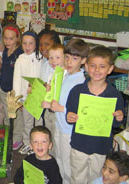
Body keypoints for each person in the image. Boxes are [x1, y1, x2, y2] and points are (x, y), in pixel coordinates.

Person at [66, 45, 125, 184]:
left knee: (96, 179)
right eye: (92, 66)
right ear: (86, 66)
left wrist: (119, 118)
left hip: (101, 147)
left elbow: (116, 123)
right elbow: (70, 115)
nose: (97, 70)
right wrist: (70, 117)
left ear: (110, 69)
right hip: (79, 144)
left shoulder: (114, 95)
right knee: (77, 178)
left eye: (102, 66)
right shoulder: (77, 91)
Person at [42, 39, 89, 184]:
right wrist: (49, 97)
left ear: (83, 60)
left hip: (69, 130)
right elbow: (59, 98)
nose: (69, 62)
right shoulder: (65, 75)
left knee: (68, 165)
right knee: (60, 159)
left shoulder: (81, 82)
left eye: (74, 59)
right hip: (59, 124)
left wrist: (60, 108)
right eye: (67, 57)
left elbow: (81, 110)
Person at [13, 31, 44, 155]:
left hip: (38, 97)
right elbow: (16, 80)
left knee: (39, 121)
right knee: (27, 122)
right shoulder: (20, 59)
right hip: (25, 98)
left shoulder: (41, 59)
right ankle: (27, 143)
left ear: (36, 44)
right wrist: (18, 99)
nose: (27, 46)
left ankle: (40, 144)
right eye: (25, 43)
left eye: (31, 43)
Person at [0, 23, 23, 150]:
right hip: (3, 87)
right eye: (5, 38)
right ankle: (9, 134)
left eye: (11, 38)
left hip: (14, 90)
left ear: (17, 38)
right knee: (7, 113)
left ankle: (17, 138)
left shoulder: (20, 53)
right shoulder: (5, 51)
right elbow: (2, 69)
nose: (8, 41)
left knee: (16, 116)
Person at [37, 29, 61, 133]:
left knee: (54, 133)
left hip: (55, 109)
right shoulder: (45, 63)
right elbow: (42, 81)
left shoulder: (60, 68)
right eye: (41, 44)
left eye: (47, 44)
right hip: (44, 105)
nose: (43, 48)